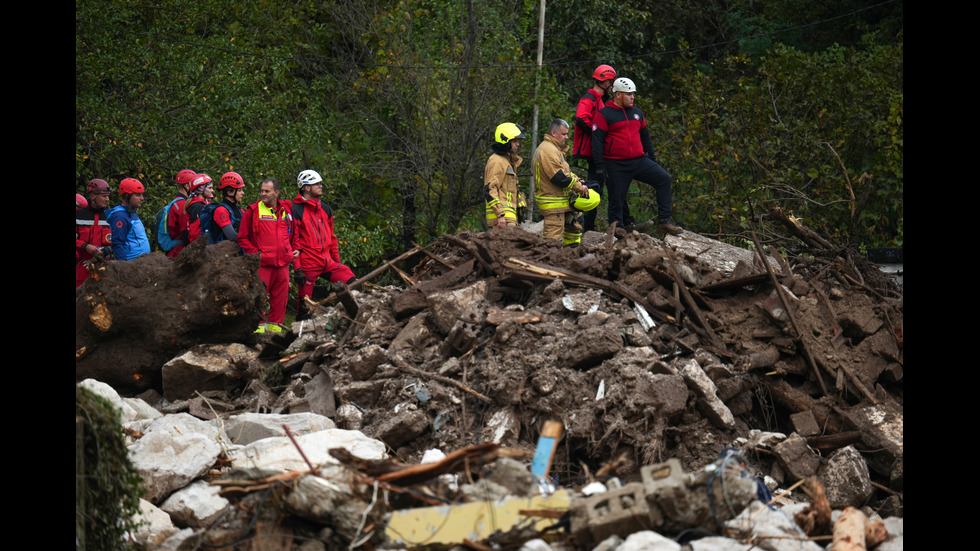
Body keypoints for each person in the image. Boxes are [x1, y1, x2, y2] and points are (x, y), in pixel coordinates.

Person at [592, 77, 683, 235]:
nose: (632, 97)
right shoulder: (604, 114)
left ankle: (664, 222)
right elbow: (597, 141)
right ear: (618, 95)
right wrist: (600, 166)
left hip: (639, 160)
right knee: (616, 196)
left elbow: (646, 138)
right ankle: (617, 227)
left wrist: (652, 161)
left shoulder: (637, 113)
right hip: (616, 163)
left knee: (664, 179)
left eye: (633, 94)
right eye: (629, 94)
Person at [291, 169, 356, 320]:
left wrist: (337, 262)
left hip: (327, 262)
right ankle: (296, 339)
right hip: (308, 265)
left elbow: (332, 238)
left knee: (353, 284)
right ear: (306, 187)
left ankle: (345, 319)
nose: (321, 186)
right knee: (304, 306)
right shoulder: (295, 210)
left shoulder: (325, 208)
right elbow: (294, 243)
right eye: (317, 184)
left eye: (320, 183)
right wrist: (297, 268)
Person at [238, 177, 297, 332]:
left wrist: (293, 250)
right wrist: (256, 255)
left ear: (276, 193)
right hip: (263, 264)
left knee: (280, 301)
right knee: (259, 300)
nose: (263, 194)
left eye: (267, 191)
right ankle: (256, 335)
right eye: (262, 191)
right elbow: (242, 238)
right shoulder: (253, 211)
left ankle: (273, 335)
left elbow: (293, 233)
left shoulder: (286, 210)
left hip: (283, 264)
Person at [532, 119, 596, 246]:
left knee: (576, 224)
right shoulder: (548, 150)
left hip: (561, 201)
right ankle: (551, 262)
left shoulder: (554, 149)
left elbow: (565, 172)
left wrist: (577, 180)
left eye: (567, 134)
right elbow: (558, 177)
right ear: (553, 133)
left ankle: (570, 255)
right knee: (552, 241)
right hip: (553, 203)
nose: (566, 137)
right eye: (564, 134)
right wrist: (579, 187)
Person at [574, 64, 617, 232]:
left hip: (598, 151)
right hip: (592, 152)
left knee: (599, 187)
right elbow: (581, 119)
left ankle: (591, 227)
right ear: (605, 82)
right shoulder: (590, 98)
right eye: (611, 82)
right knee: (594, 188)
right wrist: (597, 134)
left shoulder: (600, 101)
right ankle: (588, 227)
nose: (612, 86)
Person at [484, 122, 526, 229]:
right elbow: (490, 189)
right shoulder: (497, 161)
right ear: (505, 141)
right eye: (514, 141)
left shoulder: (507, 161)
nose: (518, 144)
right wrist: (500, 215)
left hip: (508, 217)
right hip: (503, 219)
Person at [75, 178, 113, 286]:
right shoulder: (79, 215)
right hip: (83, 267)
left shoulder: (111, 216)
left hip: (105, 267)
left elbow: (121, 240)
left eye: (108, 196)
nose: (107, 199)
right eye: (104, 196)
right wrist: (85, 246)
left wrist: (109, 249)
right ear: (93, 196)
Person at [107, 178, 152, 261]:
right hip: (130, 267)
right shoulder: (120, 216)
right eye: (138, 195)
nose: (142, 198)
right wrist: (123, 268)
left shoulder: (131, 213)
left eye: (142, 195)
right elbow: (117, 244)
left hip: (141, 265)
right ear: (127, 196)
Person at [161, 169, 197, 257]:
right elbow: (185, 232)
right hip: (179, 251)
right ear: (188, 186)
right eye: (195, 185)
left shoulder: (176, 202)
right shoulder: (182, 205)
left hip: (175, 249)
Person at [207, 172, 246, 243]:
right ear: (229, 192)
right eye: (239, 190)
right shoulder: (221, 210)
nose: (242, 193)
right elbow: (231, 235)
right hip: (223, 252)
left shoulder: (240, 210)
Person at [185, 173, 214, 243]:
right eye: (210, 188)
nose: (212, 190)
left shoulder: (205, 204)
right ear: (200, 189)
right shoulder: (197, 206)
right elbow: (195, 232)